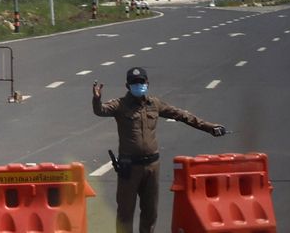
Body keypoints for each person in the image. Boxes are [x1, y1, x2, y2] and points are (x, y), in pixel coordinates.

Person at [92, 67, 226, 233]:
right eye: (134, 83)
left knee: (150, 213)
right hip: (129, 167)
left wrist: (209, 127)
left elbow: (181, 115)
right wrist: (97, 99)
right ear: (127, 86)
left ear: (147, 83)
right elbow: (100, 110)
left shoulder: (154, 104)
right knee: (125, 213)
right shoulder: (120, 105)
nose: (138, 85)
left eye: (141, 82)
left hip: (152, 167)